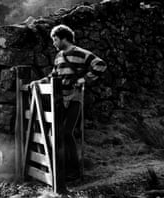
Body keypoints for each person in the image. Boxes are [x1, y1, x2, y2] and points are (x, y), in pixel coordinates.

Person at [30, 24, 107, 183]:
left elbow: (100, 64)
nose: (54, 43)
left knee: (66, 132)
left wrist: (83, 80)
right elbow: (53, 76)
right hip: (60, 99)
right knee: (57, 133)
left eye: (55, 39)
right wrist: (37, 82)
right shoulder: (58, 56)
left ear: (64, 38)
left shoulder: (81, 53)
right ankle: (61, 169)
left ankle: (75, 170)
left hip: (74, 97)